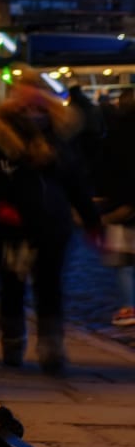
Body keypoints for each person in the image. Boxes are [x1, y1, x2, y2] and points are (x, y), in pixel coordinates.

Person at [0, 74, 99, 371]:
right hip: (10, 228)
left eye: (37, 101)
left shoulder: (59, 137)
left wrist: (92, 222)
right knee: (11, 285)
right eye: (25, 101)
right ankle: (13, 341)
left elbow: (75, 183)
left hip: (53, 224)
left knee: (50, 286)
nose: (33, 110)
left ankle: (51, 347)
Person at [97, 89, 135, 327]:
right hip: (127, 202)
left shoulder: (114, 135)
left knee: (123, 263)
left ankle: (128, 306)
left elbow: (107, 171)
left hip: (122, 205)